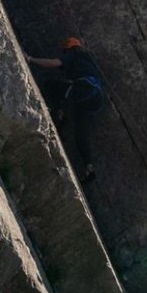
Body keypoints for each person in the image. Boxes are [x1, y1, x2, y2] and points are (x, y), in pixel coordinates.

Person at [27, 37, 105, 183]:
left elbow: (53, 63)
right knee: (81, 134)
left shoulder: (73, 54)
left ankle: (60, 116)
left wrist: (30, 59)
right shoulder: (88, 60)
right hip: (96, 98)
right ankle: (89, 167)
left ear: (69, 48)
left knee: (52, 86)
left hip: (84, 90)